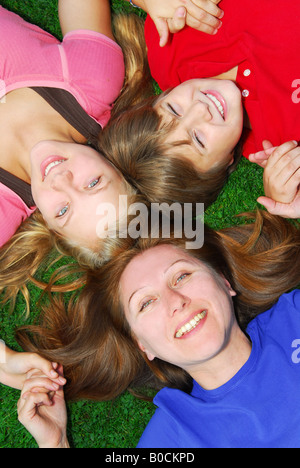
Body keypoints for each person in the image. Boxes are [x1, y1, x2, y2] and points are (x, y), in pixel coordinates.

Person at [0, 0, 226, 397]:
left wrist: (4, 363)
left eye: (64, 210)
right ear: (111, 163)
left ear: (49, 225)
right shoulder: (91, 80)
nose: (61, 180)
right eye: (93, 184)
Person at [16, 210, 300, 447]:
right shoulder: (175, 436)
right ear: (143, 345)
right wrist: (56, 444)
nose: (175, 302)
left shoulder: (294, 314)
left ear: (224, 282)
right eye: (146, 303)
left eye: (182, 276)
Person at [99, 0, 300, 215]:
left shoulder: (169, 48)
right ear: (224, 163)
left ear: (159, 97)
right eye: (198, 139)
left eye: (174, 109)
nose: (199, 109)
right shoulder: (284, 141)